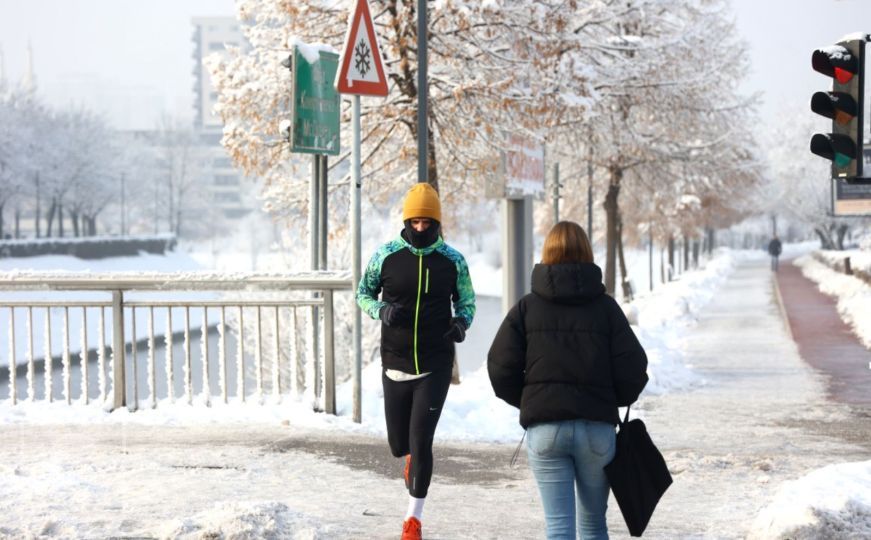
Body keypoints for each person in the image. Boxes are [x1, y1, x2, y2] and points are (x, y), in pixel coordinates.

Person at [487, 221, 648, 540]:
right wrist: (609, 398)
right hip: (597, 432)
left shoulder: (527, 308)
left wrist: (532, 400)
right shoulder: (607, 308)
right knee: (593, 525)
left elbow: (499, 368)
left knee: (559, 528)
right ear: (587, 253)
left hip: (546, 431)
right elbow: (634, 368)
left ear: (547, 253)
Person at [356, 182, 476, 540]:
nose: (421, 229)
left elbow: (467, 303)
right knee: (400, 445)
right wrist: (381, 309)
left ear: (437, 222)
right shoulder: (386, 255)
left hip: (435, 364)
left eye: (428, 222)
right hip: (395, 360)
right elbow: (363, 293)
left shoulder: (453, 260)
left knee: (421, 441)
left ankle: (413, 520)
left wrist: (460, 323)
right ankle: (410, 458)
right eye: (416, 222)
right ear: (406, 220)